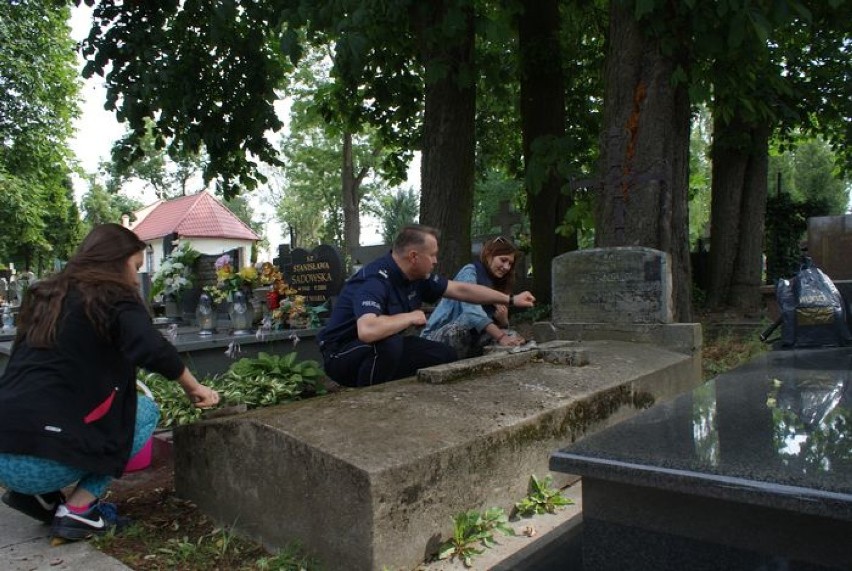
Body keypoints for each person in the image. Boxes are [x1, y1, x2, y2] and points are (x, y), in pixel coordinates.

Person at [0, 224, 219, 542]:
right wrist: (194, 387)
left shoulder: (46, 297)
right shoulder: (113, 295)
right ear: (116, 261)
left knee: (65, 411)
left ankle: (38, 496)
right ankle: (79, 512)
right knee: (141, 411)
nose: (135, 279)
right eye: (136, 267)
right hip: (46, 462)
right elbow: (150, 347)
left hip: (4, 453)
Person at [318, 225, 535, 387]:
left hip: (380, 348)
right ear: (414, 256)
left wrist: (510, 299)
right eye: (432, 255)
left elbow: (461, 290)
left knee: (443, 355)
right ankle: (371, 403)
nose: (435, 261)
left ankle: (404, 394)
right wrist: (411, 317)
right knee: (389, 344)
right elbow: (368, 330)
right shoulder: (375, 279)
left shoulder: (418, 277)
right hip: (341, 355)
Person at [421, 236, 527, 358]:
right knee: (462, 327)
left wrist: (503, 322)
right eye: (503, 260)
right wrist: (501, 336)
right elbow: (472, 313)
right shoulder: (470, 272)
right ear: (488, 255)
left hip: (471, 336)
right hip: (435, 338)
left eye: (510, 263)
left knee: (513, 336)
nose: (507, 267)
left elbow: (492, 327)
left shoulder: (497, 282)